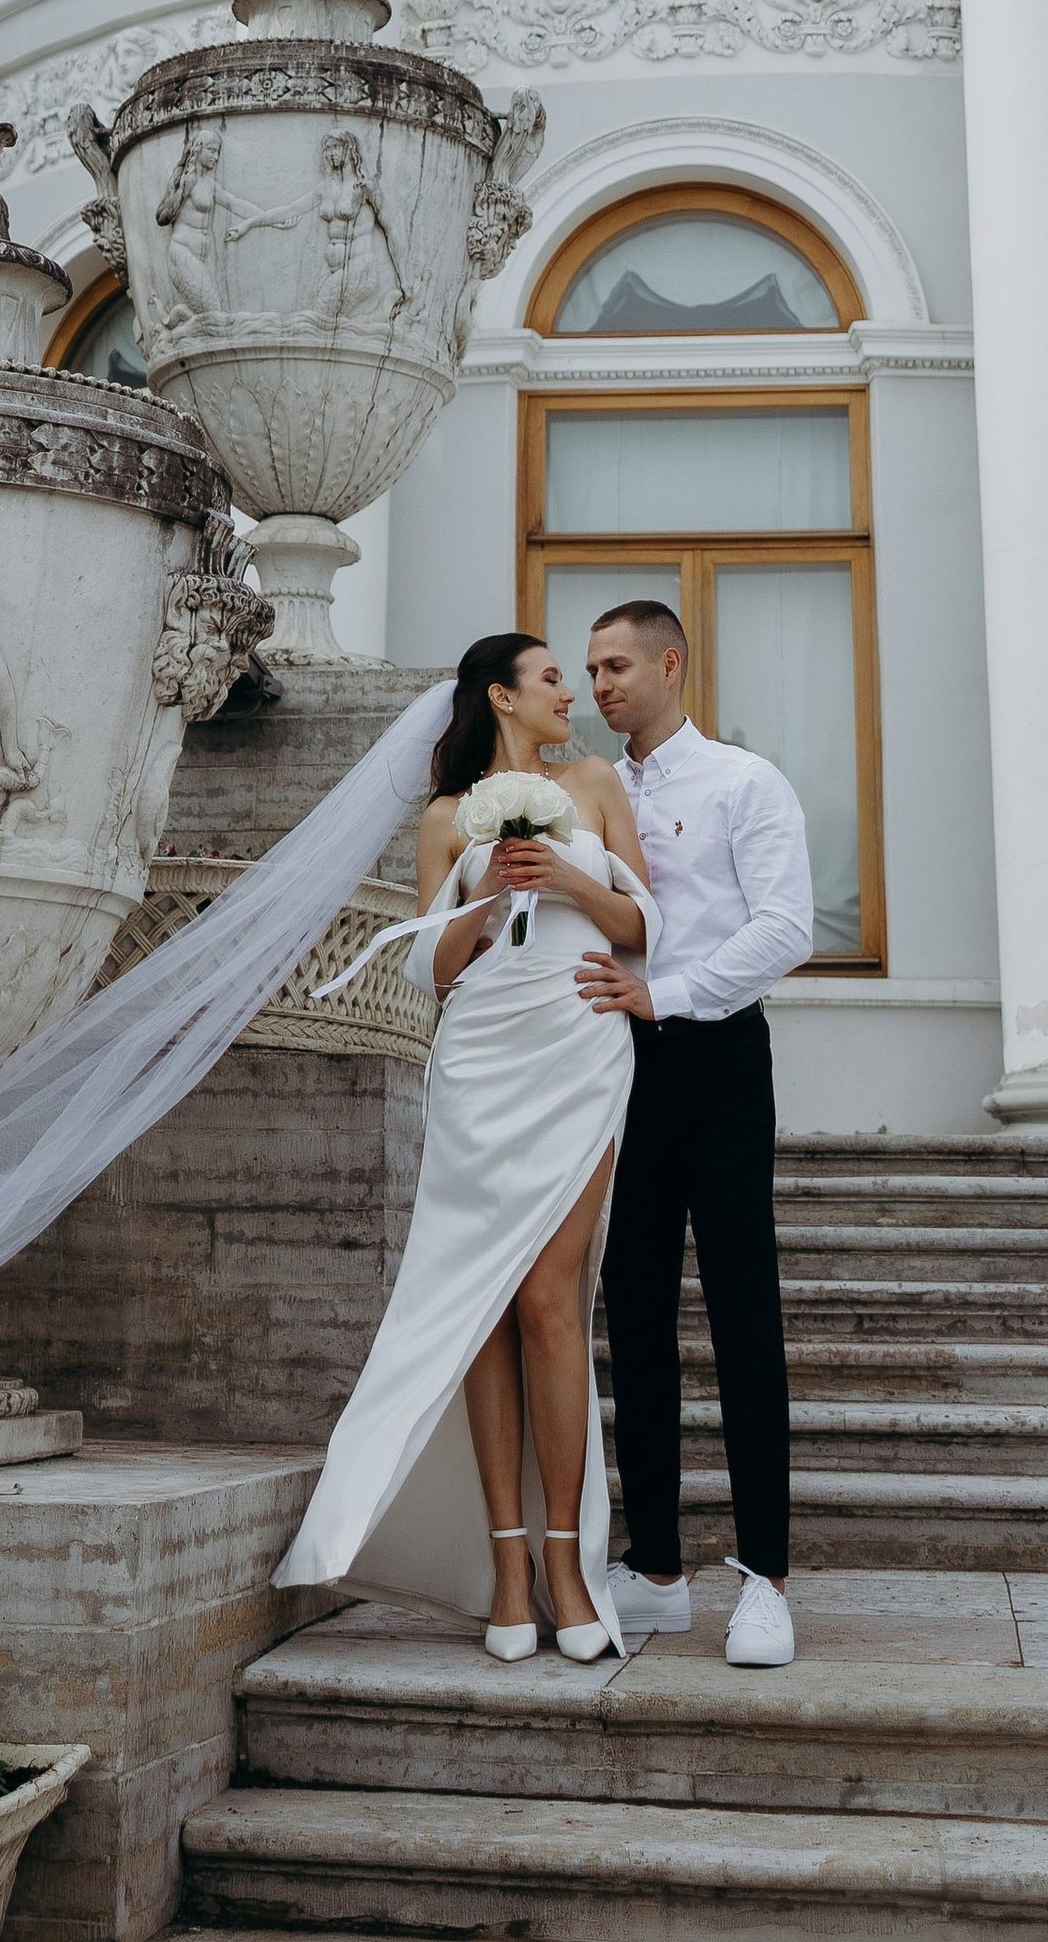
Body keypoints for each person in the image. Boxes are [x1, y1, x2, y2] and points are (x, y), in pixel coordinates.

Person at [275, 632, 658, 1661]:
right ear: (501, 696)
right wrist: (486, 892)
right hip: (482, 1058)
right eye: (548, 678)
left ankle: (569, 1564)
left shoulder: (592, 782)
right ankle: (506, 1567)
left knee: (548, 1300)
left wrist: (567, 883)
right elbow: (429, 969)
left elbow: (638, 920)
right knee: (483, 1306)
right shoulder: (446, 818)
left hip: (576, 1050)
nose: (568, 691)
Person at [578, 597, 814, 1672]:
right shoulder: (590, 791)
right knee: (631, 1309)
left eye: (618, 664)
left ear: (671, 661)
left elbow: (784, 929)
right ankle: (657, 1566)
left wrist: (665, 995)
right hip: (615, 1069)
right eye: (589, 670)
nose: (601, 685)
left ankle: (763, 1577)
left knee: (739, 1308)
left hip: (716, 1058)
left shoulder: (745, 782)